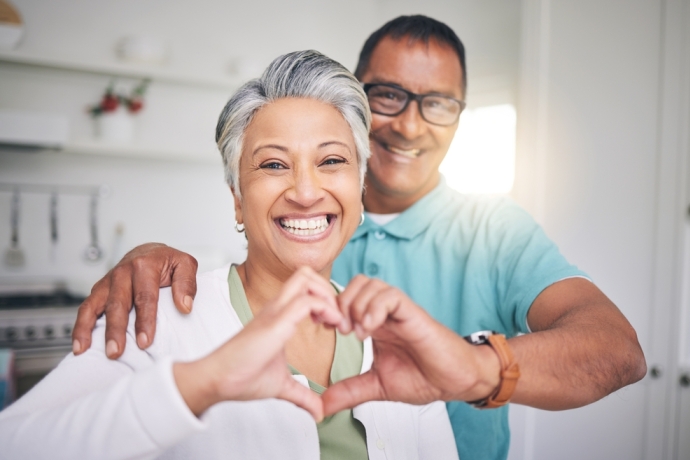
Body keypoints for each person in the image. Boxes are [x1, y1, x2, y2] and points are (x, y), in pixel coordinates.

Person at [71, 15, 647, 460]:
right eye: (389, 96)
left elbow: (617, 352)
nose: (411, 123)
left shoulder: (495, 230)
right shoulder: (285, 238)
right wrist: (150, 258)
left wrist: (467, 368)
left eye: (438, 103)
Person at [0, 50, 460, 460]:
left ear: (359, 189)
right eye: (274, 164)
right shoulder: (157, 319)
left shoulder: (396, 342)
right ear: (238, 198)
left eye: (331, 161)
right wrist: (201, 383)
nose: (304, 191)